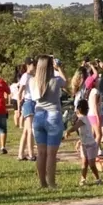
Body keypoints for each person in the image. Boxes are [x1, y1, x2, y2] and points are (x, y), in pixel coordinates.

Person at [29, 55, 67, 188]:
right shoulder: (55, 80)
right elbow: (65, 81)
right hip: (53, 115)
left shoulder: (32, 81)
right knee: (51, 153)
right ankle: (51, 182)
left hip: (38, 115)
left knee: (41, 152)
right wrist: (59, 67)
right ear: (51, 66)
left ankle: (42, 182)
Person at [71, 99, 102, 186]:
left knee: (91, 164)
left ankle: (98, 179)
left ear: (79, 109)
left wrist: (68, 131)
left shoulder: (83, 119)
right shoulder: (83, 118)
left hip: (91, 145)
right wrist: (79, 141)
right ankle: (83, 179)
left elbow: (75, 127)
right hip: (84, 145)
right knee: (84, 163)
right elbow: (85, 133)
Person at [15, 58, 36, 162]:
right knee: (30, 130)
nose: (35, 66)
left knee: (26, 131)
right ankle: (31, 154)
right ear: (28, 65)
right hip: (28, 103)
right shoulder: (25, 76)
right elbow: (20, 93)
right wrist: (19, 110)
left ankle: (20, 154)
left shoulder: (32, 76)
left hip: (32, 103)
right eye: (33, 64)